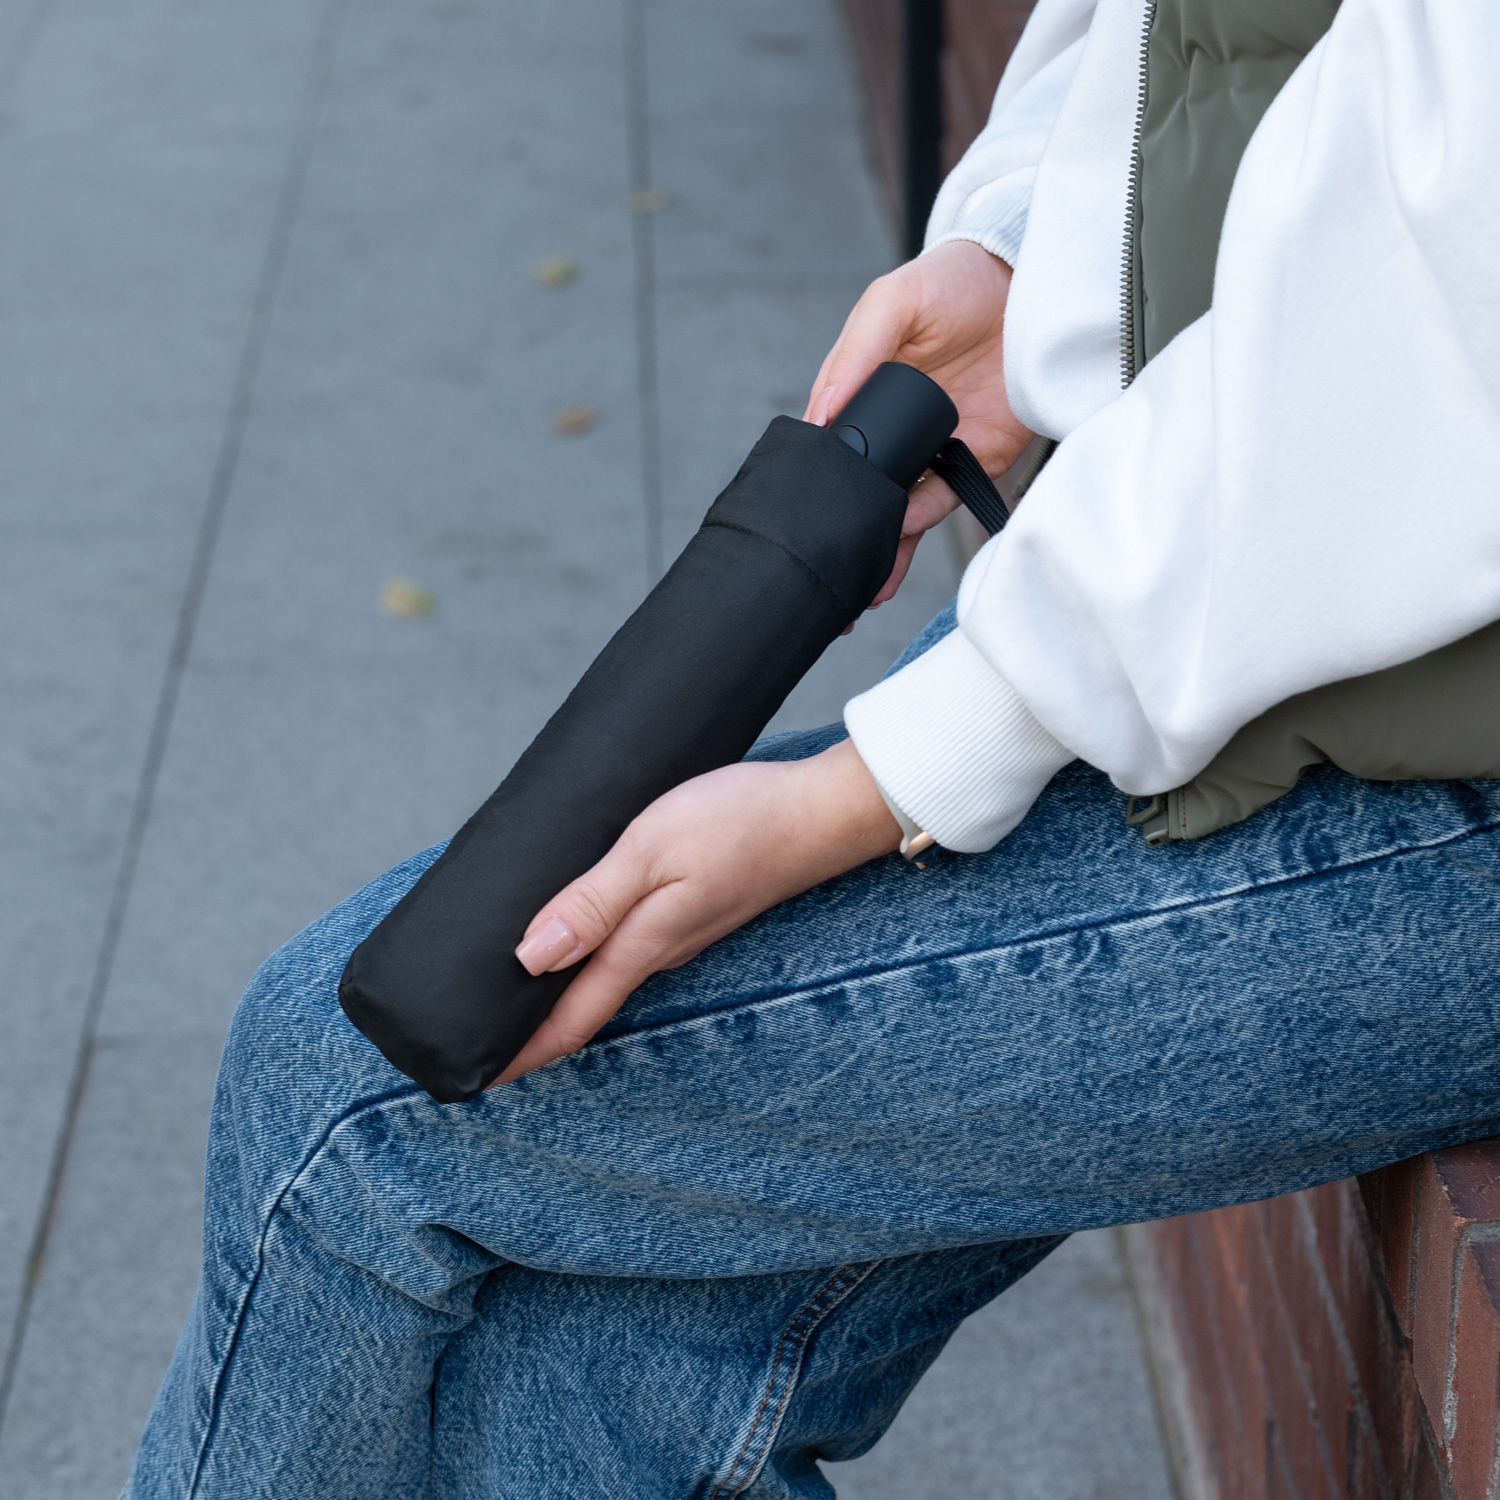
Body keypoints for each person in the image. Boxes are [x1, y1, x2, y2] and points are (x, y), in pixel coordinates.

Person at [126, 0, 1500, 1494]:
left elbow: (1416, 325)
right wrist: (1030, 256)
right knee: (587, 1377)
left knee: (344, 1090)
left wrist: (880, 781)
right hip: (1215, 609)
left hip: (1414, 738)